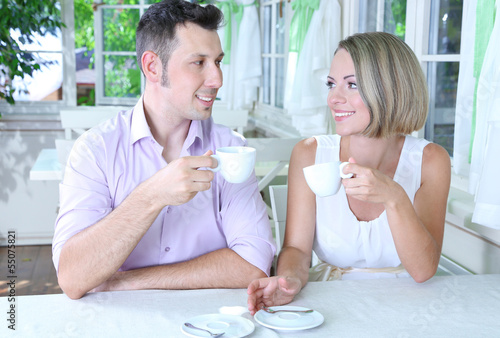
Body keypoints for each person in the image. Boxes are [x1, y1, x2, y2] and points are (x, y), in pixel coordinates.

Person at [52, 0, 275, 300]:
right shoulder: (95, 151)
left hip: (210, 323)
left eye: (218, 61)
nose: (217, 80)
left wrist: (127, 282)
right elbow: (73, 277)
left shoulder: (232, 150)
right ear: (153, 67)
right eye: (199, 63)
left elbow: (255, 263)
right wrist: (152, 195)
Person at [247, 32, 451, 314]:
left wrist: (395, 199)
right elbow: (296, 249)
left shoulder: (431, 160)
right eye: (331, 85)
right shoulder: (309, 154)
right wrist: (289, 279)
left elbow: (423, 270)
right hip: (331, 303)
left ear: (390, 89)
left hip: (410, 307)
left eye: (352, 85)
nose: (333, 98)